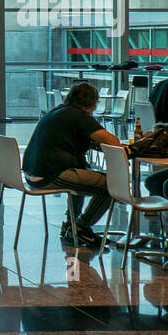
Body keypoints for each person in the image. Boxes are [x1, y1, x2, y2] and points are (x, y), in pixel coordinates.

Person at [21, 81, 122, 248]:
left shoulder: (57, 111)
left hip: (33, 172)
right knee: (111, 185)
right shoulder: (80, 116)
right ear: (93, 103)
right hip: (50, 174)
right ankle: (81, 228)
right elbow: (113, 141)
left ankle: (71, 224)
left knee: (82, 172)